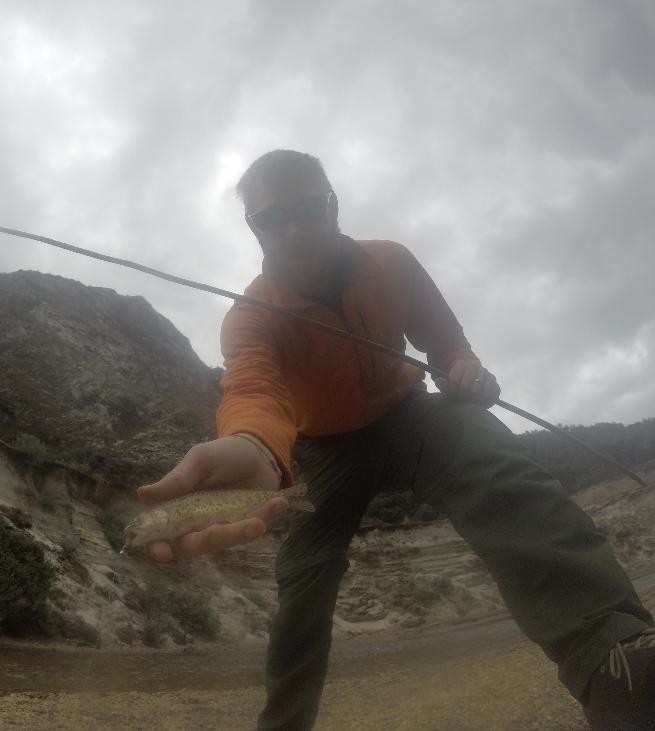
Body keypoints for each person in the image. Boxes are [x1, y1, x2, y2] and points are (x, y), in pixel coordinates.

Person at [135, 150, 655, 730]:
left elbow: (448, 343)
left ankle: (615, 658)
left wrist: (465, 370)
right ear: (254, 228)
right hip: (321, 451)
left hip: (410, 415)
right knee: (301, 584)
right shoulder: (250, 316)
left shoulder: (392, 262)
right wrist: (255, 443)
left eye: (309, 208)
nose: (295, 229)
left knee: (496, 464)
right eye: (273, 219)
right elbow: (254, 388)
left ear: (334, 205)